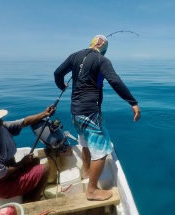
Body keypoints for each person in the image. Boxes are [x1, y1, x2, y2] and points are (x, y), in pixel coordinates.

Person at [54, 35, 141, 201]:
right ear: (104, 48)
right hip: (90, 112)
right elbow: (114, 80)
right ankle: (92, 190)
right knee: (101, 151)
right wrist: (132, 102)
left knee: (84, 142)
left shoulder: (74, 56)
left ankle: (86, 171)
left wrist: (61, 85)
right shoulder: (102, 60)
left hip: (75, 112)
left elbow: (58, 73)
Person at [0, 105, 55, 203]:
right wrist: (22, 163)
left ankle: (28, 192)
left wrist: (45, 113)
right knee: (45, 168)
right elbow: (0, 176)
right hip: (1, 186)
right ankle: (30, 202)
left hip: (10, 173)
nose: (1, 121)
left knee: (35, 161)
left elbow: (23, 122)